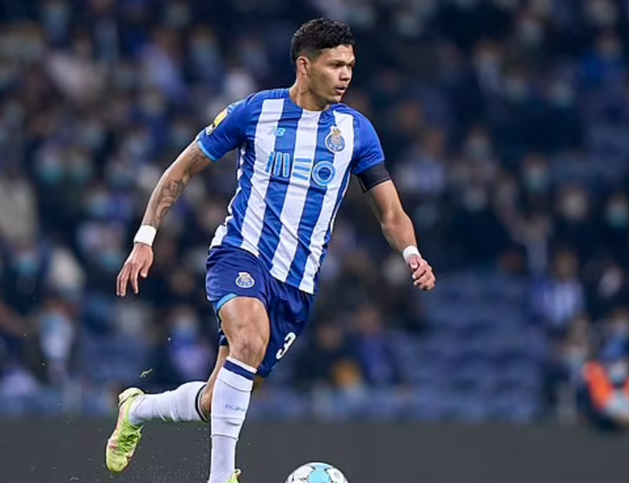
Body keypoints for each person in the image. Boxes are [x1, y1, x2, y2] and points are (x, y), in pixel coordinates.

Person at [105, 18, 436, 483]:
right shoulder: (254, 113)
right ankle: (221, 477)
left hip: (296, 285)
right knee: (248, 339)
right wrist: (145, 238)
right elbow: (180, 171)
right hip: (241, 254)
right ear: (305, 66)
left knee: (218, 398)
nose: (345, 75)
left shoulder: (356, 131)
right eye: (335, 65)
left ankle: (137, 410)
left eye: (350, 65)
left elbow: (391, 212)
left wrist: (411, 253)